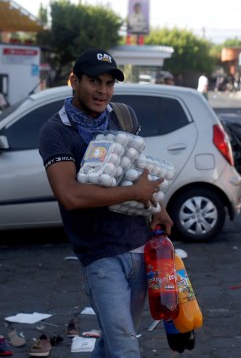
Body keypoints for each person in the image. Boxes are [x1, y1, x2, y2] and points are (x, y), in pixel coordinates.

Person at [38, 48, 174, 357]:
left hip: (139, 245)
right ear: (74, 81)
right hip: (99, 254)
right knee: (125, 346)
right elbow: (70, 196)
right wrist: (133, 193)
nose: (103, 91)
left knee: (112, 342)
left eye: (109, 83)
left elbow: (139, 170)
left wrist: (159, 208)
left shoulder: (123, 115)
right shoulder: (56, 131)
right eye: (94, 82)